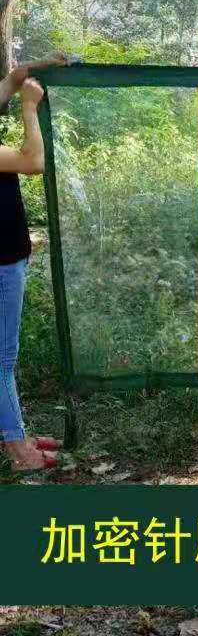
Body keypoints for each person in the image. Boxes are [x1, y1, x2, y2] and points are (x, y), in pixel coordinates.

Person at [0, 53, 69, 471]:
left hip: (9, 257)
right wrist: (29, 107)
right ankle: (19, 451)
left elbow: (9, 80)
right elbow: (32, 162)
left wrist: (36, 66)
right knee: (1, 359)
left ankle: (16, 432)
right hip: (1, 263)